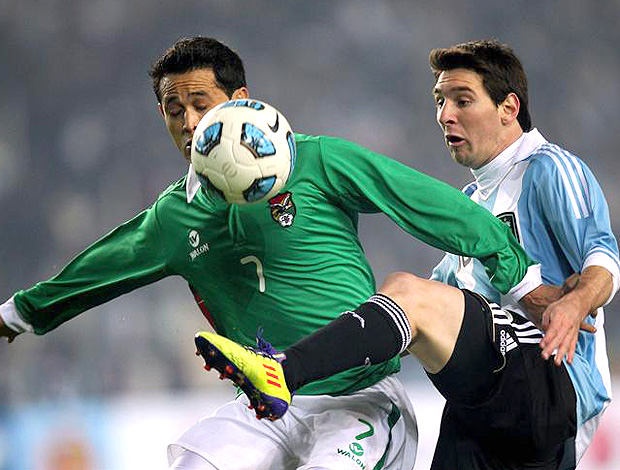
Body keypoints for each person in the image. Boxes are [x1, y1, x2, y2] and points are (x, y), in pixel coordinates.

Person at [0, 37, 545, 470]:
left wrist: (517, 275)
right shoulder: (174, 218)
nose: (189, 124)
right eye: (173, 110)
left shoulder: (316, 161)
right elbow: (95, 272)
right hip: (262, 408)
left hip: (359, 400)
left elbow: (428, 205)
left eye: (200, 104)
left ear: (240, 104)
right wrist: (15, 316)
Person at [195, 40, 619, 469]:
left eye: (462, 100)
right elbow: (434, 310)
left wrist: (574, 304)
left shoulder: (546, 168)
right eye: (439, 101)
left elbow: (604, 259)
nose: (445, 115)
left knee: (406, 292)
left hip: (552, 377)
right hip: (487, 404)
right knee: (404, 303)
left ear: (509, 108)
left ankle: (281, 371)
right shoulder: (472, 201)